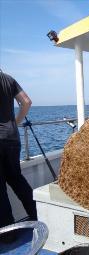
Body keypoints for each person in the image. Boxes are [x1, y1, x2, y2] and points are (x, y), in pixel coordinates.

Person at [0, 70, 37, 242]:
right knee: (17, 180)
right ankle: (37, 216)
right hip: (12, 138)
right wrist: (15, 123)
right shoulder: (8, 79)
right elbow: (27, 102)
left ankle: (8, 235)